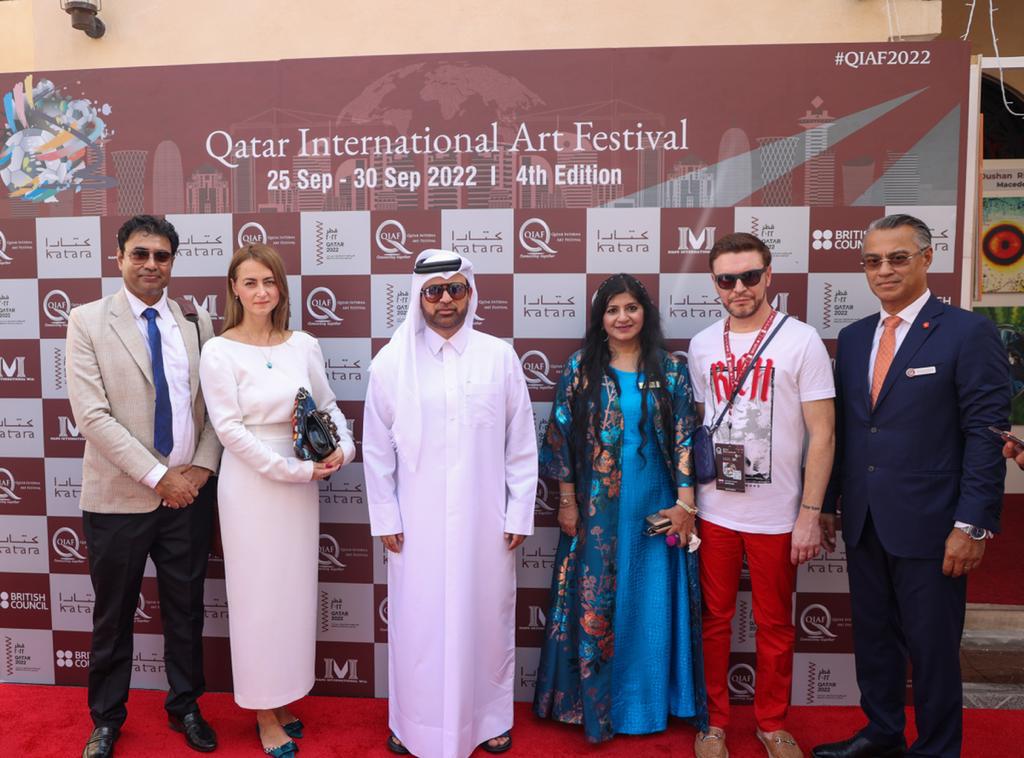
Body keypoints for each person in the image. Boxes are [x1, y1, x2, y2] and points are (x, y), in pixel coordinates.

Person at [812, 214, 1011, 758]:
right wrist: (830, 505)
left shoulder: (969, 332)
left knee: (932, 647)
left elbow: (987, 435)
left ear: (927, 258)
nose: (884, 270)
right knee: (874, 641)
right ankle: (881, 734)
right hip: (865, 519)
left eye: (898, 258)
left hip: (935, 523)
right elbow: (847, 431)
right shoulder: (853, 339)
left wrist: (973, 524)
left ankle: (938, 747)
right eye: (873, 261)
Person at [362, 249, 537, 758]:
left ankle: (488, 720)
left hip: (486, 522)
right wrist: (386, 517)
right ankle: (411, 724)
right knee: (419, 626)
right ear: (419, 297)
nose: (445, 300)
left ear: (470, 294)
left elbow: (521, 443)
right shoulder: (392, 362)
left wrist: (518, 511)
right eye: (433, 291)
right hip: (415, 524)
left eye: (455, 289)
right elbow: (375, 451)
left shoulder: (497, 356)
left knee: (485, 621)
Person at [66, 215, 222, 758]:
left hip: (190, 498)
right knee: (113, 615)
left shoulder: (196, 321)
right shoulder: (86, 321)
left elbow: (213, 412)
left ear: (173, 262)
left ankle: (185, 705)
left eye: (161, 255)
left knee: (186, 609)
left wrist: (198, 471)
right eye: (140, 254)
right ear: (119, 257)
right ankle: (106, 719)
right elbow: (93, 416)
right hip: (119, 498)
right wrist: (161, 478)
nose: (151, 264)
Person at [532, 273, 709, 743]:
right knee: (602, 604)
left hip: (656, 507)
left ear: (644, 313)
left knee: (650, 604)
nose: (622, 317)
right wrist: (567, 501)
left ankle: (648, 706)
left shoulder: (670, 369)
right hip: (596, 511)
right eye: (612, 310)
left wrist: (686, 503)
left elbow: (685, 438)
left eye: (631, 307)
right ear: (600, 318)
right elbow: (560, 440)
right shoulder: (580, 368)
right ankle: (597, 707)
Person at [198, 243, 354, 757]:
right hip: (253, 487)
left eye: (269, 281)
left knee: (291, 597)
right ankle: (264, 713)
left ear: (281, 288)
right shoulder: (219, 350)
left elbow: (326, 405)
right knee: (257, 600)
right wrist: (294, 470)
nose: (261, 291)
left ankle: (284, 697)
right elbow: (230, 433)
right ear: (234, 290)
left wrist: (344, 450)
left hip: (300, 488)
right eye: (250, 282)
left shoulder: (303, 344)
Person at [687, 232, 836, 758]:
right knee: (714, 622)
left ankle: (772, 724)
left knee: (775, 625)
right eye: (728, 279)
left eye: (750, 276)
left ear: (769, 275)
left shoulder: (802, 340)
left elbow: (824, 433)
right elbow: (697, 430)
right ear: (715, 284)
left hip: (777, 513)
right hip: (715, 509)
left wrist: (810, 513)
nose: (740, 287)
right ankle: (714, 724)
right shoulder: (702, 345)